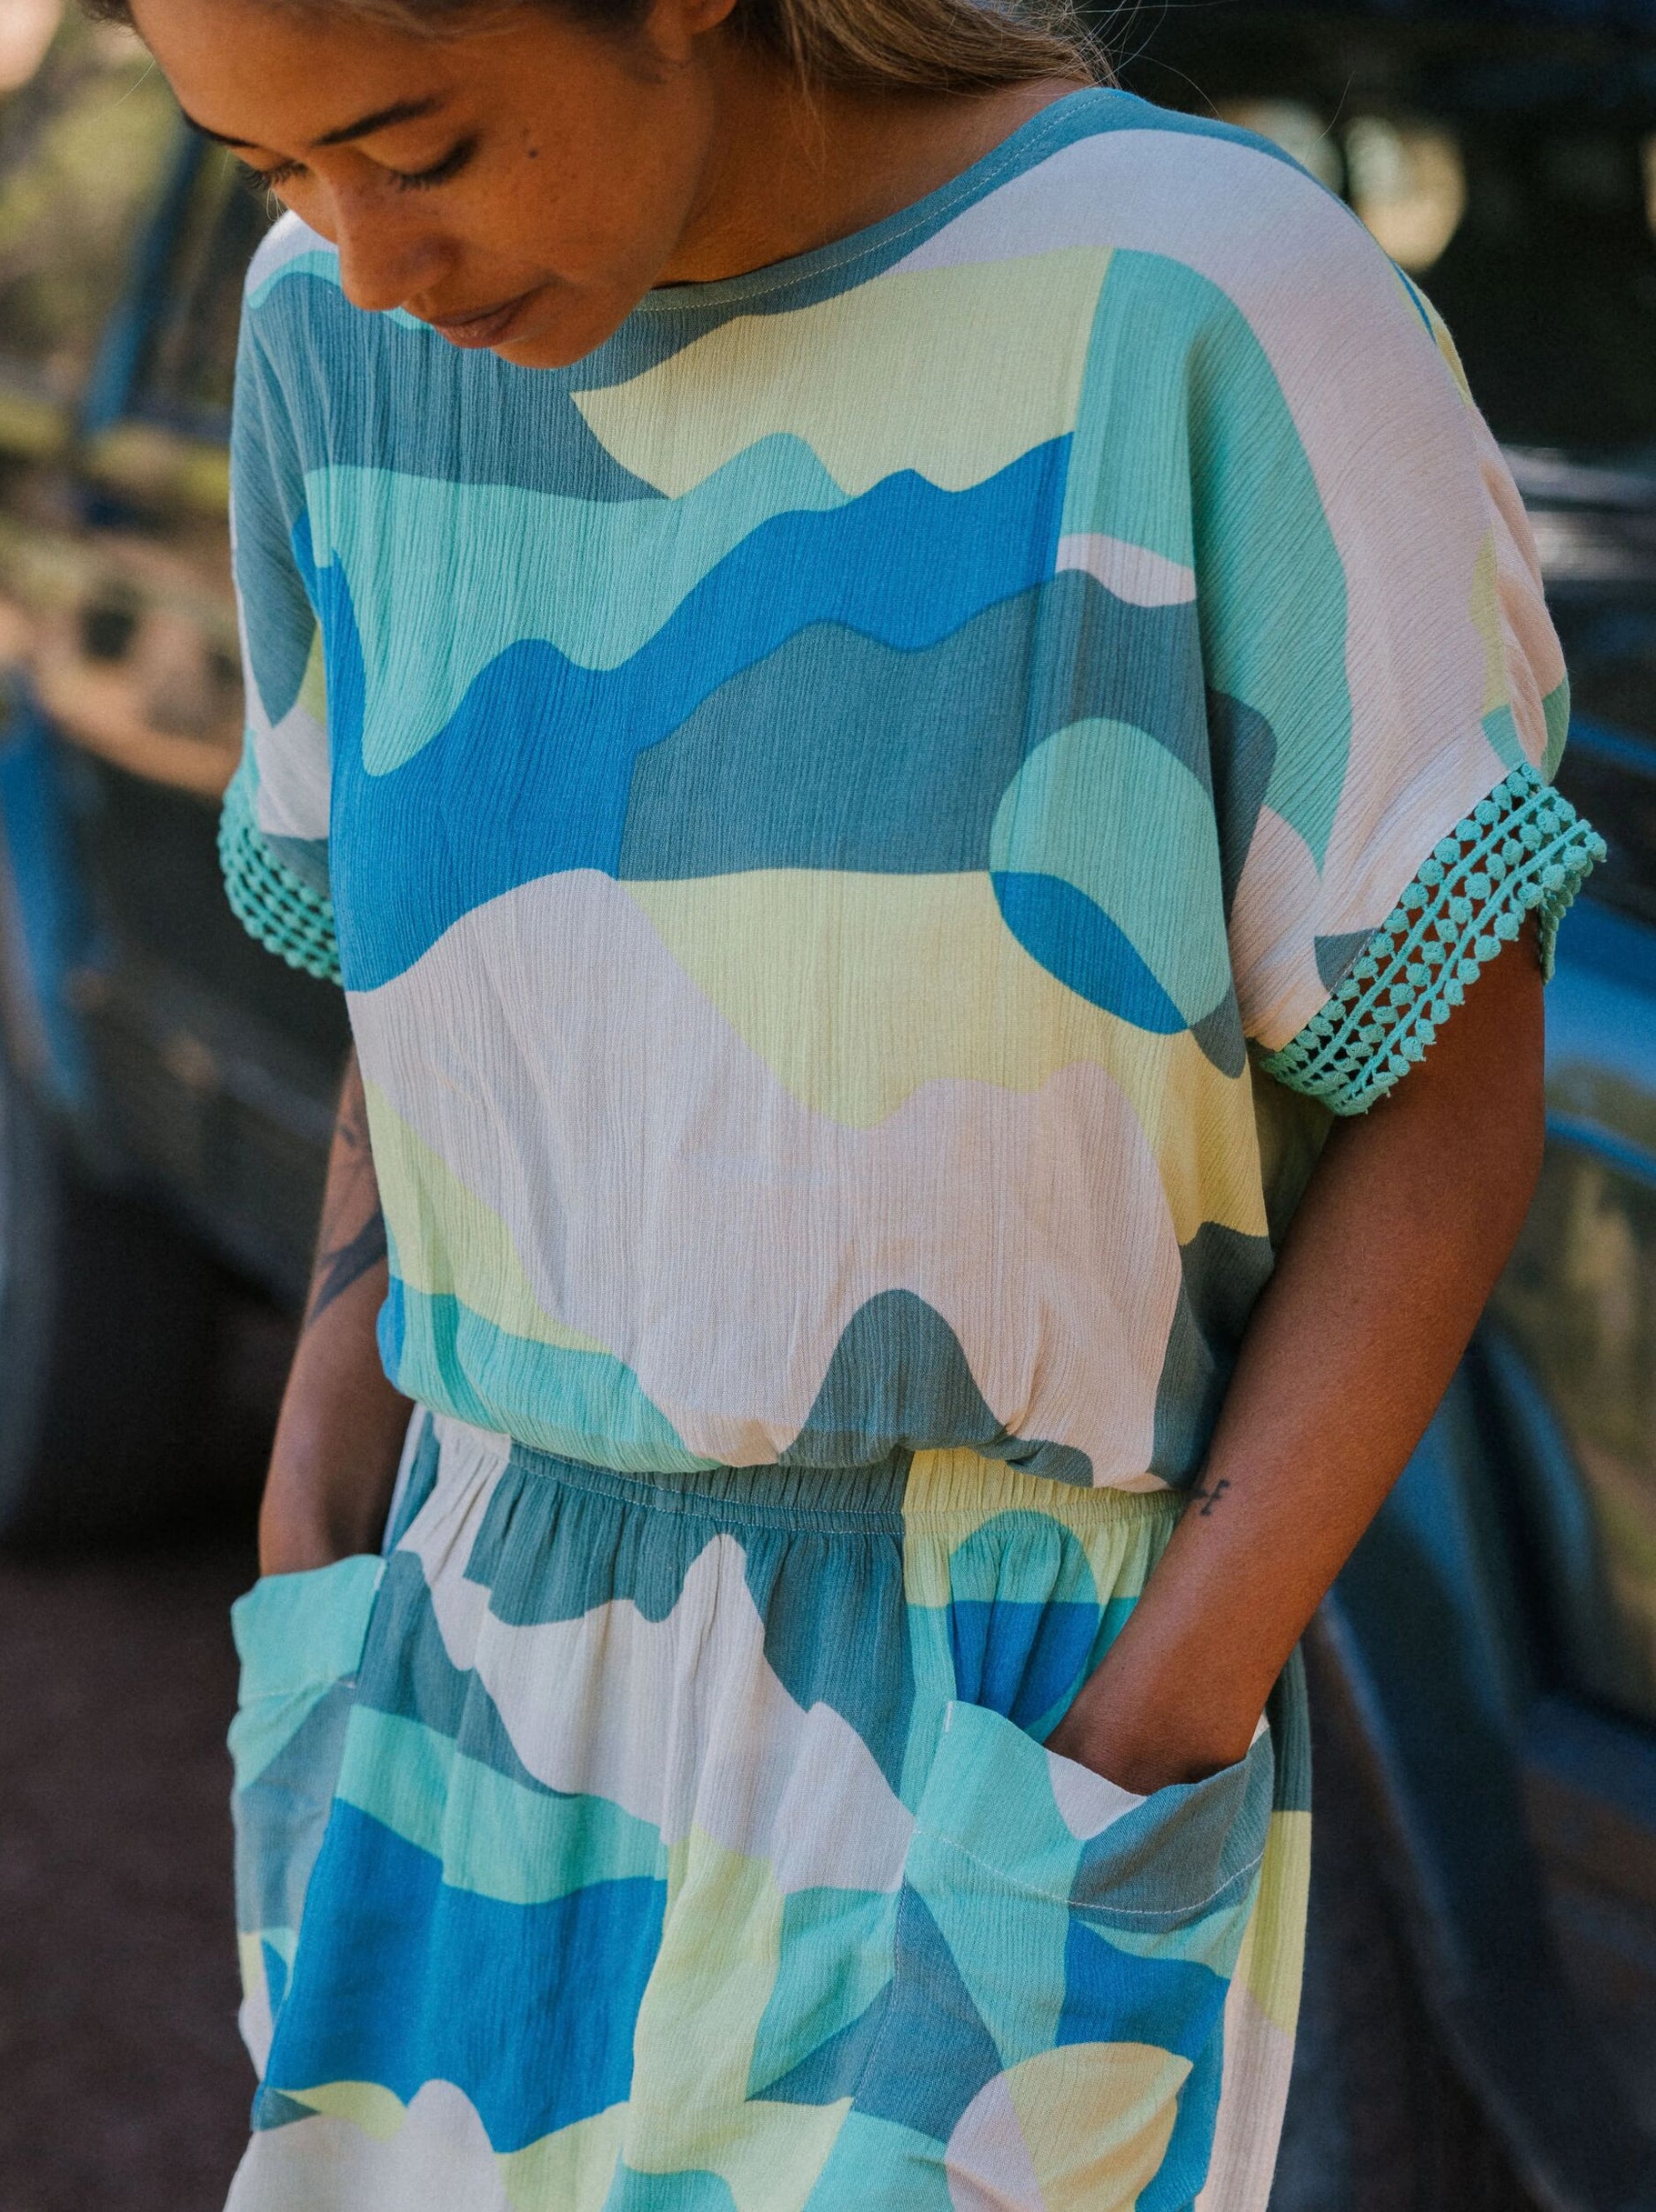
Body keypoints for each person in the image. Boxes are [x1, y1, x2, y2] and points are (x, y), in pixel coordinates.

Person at [93, 0, 1602, 2203]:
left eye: (416, 146)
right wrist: (316, 1515)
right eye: (274, 169)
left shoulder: (1203, 302)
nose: (368, 251)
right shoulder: (323, 330)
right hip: (449, 1684)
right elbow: (425, 963)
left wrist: (1143, 1736)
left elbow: (1448, 1107)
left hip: (996, 1743)